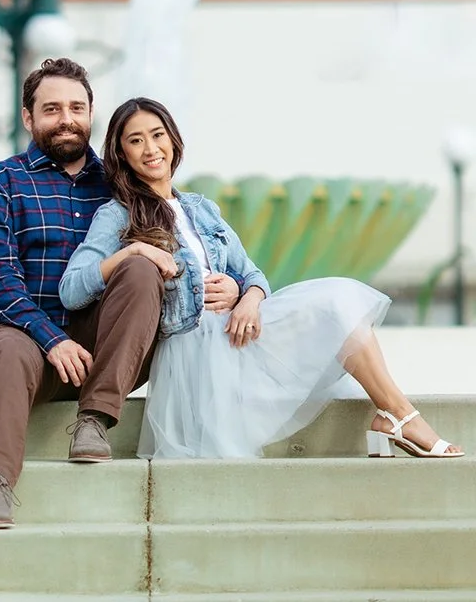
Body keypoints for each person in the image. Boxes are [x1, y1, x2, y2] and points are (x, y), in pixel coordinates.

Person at [59, 98, 465, 460]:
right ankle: (402, 419)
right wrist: (134, 250)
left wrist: (246, 296)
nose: (150, 149)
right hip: (192, 346)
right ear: (122, 153)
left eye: (157, 135)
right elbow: (72, 287)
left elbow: (253, 274)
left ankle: (396, 415)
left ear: (173, 140)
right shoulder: (116, 216)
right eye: (135, 141)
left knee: (338, 303)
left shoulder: (202, 208)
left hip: (237, 331)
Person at [0, 59, 240, 529]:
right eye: (51, 109)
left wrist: (235, 285)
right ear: (28, 117)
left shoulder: (122, 184)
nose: (66, 118)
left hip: (110, 347)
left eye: (76, 107)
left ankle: (94, 420)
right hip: (26, 339)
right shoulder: (2, 183)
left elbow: (195, 246)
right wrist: (52, 339)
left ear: (91, 114)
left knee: (138, 265)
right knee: (8, 348)